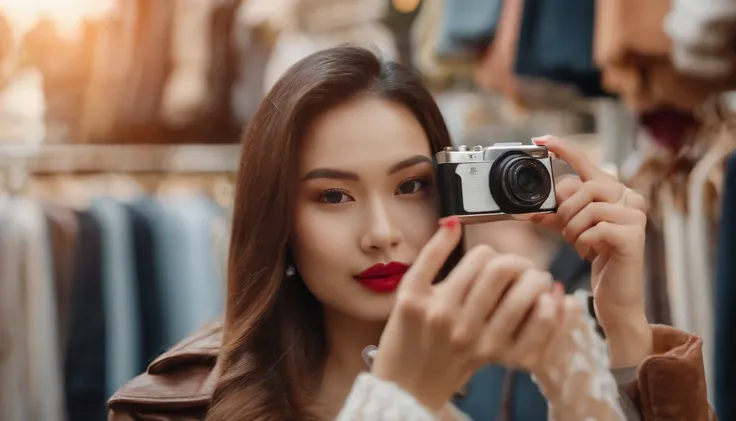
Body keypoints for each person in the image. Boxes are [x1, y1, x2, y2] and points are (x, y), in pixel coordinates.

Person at [108, 46, 713, 421]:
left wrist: (626, 325)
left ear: (453, 190)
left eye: (411, 187)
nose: (381, 234)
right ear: (277, 220)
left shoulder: (531, 376)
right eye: (333, 196)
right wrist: (397, 402)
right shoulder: (177, 406)